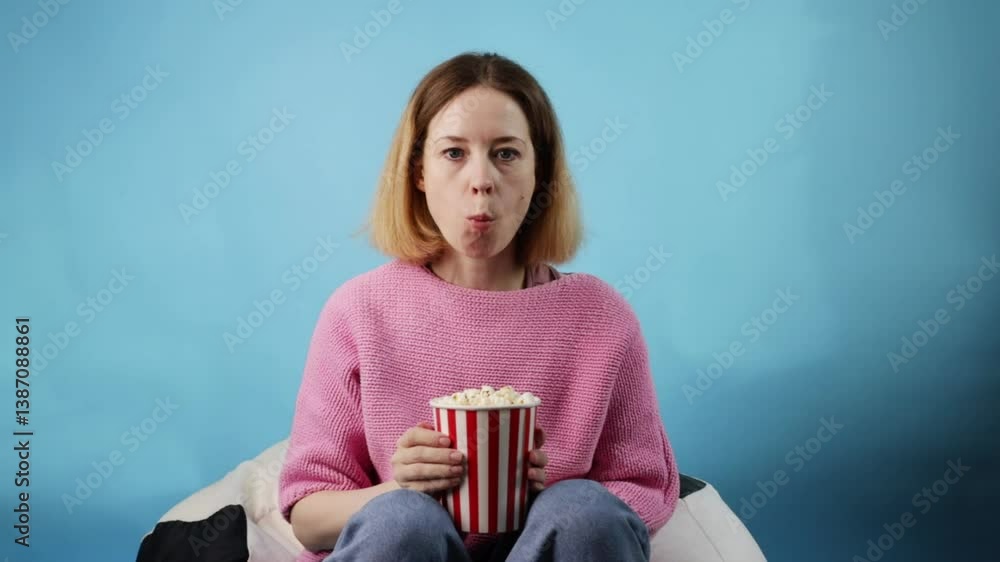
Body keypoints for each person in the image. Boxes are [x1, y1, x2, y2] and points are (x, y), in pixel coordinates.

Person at [278, 51, 680, 562]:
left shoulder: (601, 318)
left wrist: (547, 497)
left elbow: (641, 488)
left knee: (583, 511)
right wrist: (401, 489)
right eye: (453, 153)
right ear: (418, 172)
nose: (482, 179)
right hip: (408, 547)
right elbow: (309, 515)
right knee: (401, 520)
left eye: (506, 153)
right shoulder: (358, 312)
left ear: (540, 173)